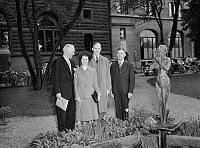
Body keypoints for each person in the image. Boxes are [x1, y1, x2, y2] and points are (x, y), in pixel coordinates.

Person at [52, 44, 76, 132]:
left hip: (72, 93)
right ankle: (62, 134)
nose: (74, 53)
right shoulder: (58, 62)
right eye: (73, 51)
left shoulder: (72, 62)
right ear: (67, 51)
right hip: (62, 94)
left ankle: (70, 132)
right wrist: (57, 92)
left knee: (71, 115)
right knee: (62, 116)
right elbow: (55, 78)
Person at [74, 51, 101, 124]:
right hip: (81, 96)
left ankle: (90, 133)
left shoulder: (92, 70)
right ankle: (81, 134)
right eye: (83, 59)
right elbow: (75, 85)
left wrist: (98, 93)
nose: (84, 61)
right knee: (80, 119)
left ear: (88, 60)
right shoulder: (77, 71)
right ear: (80, 60)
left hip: (90, 96)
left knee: (91, 118)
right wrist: (77, 96)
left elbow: (95, 83)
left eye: (86, 59)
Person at [110, 48, 135, 120]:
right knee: (118, 107)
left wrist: (130, 91)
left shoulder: (129, 65)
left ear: (124, 55)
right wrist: (112, 90)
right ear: (116, 55)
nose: (120, 55)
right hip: (116, 90)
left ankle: (126, 121)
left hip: (126, 90)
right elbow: (111, 78)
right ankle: (119, 122)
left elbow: (132, 79)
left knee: (125, 107)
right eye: (118, 53)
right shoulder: (113, 65)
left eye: (121, 53)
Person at [89, 42, 111, 116]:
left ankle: (102, 126)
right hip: (92, 88)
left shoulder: (105, 60)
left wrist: (108, 88)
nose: (97, 50)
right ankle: (94, 126)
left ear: (101, 49)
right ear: (92, 49)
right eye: (95, 48)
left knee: (102, 109)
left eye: (98, 48)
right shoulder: (88, 61)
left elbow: (108, 75)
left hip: (103, 87)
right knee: (93, 109)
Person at [154, 45, 171, 122]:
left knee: (164, 101)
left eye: (160, 51)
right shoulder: (158, 59)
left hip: (164, 80)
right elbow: (152, 67)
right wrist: (155, 59)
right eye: (158, 51)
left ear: (165, 52)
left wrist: (159, 61)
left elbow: (167, 68)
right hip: (158, 80)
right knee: (160, 102)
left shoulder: (168, 59)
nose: (159, 52)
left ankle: (165, 121)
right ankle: (161, 120)